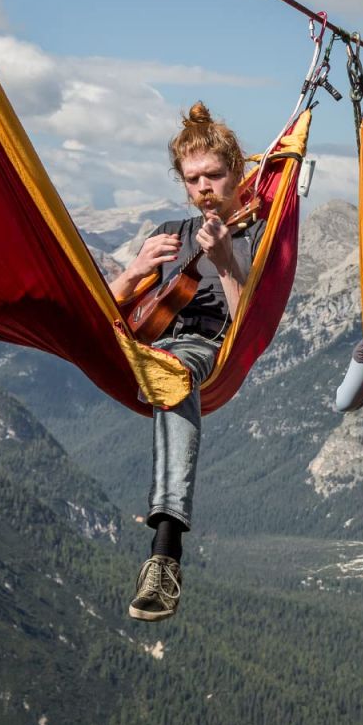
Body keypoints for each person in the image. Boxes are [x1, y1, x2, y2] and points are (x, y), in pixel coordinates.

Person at [109, 102, 264, 622]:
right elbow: (104, 310)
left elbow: (250, 328)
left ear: (236, 174)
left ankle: (165, 548)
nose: (203, 187)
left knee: (173, 370)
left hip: (200, 349)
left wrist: (224, 263)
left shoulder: (257, 236)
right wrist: (133, 273)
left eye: (214, 175)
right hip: (142, 341)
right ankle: (165, 546)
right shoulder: (170, 231)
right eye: (192, 178)